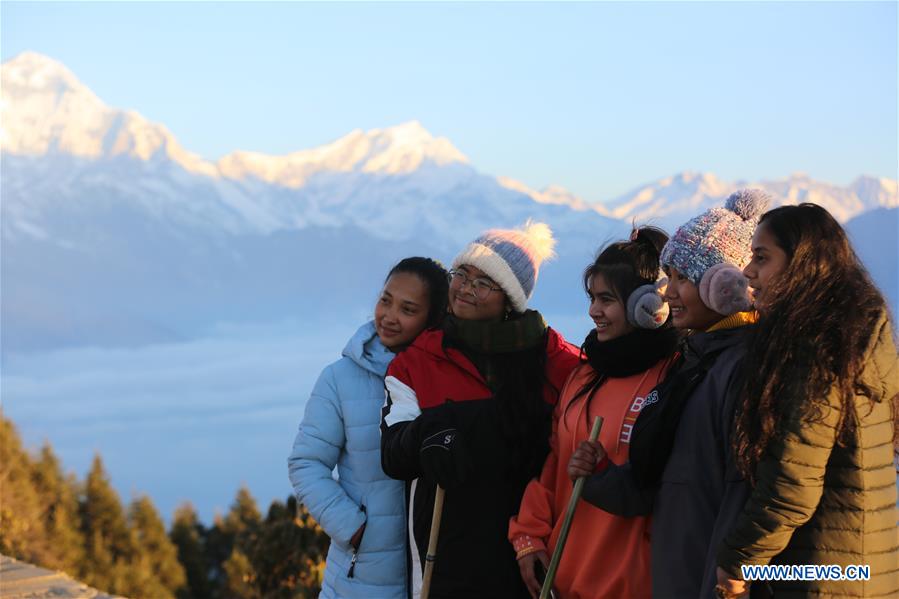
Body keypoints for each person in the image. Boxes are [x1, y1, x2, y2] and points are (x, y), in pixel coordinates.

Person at [569, 189, 770, 598]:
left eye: (684, 279)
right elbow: (658, 482)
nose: (668, 293)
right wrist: (600, 475)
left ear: (726, 285)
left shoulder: (745, 371)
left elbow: (740, 501)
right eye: (669, 278)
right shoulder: (694, 364)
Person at [380, 222, 581, 599]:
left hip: (533, 555)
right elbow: (393, 453)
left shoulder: (557, 362)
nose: (465, 289)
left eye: (483, 283)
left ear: (510, 298)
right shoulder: (419, 361)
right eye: (462, 275)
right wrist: (429, 434)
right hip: (445, 555)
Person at [715, 203, 899, 598]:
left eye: (761, 258)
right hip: (860, 569)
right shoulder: (856, 341)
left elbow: (793, 481)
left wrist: (736, 561)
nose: (748, 271)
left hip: (822, 577)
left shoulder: (815, 350)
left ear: (802, 264)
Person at [508, 227, 679, 599]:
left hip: (635, 585)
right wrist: (528, 533)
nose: (593, 311)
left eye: (606, 300)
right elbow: (556, 460)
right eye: (591, 298)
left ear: (649, 306)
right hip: (566, 579)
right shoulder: (584, 374)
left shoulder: (673, 377)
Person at [288, 257, 448, 599]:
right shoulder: (340, 378)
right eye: (385, 300)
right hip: (359, 582)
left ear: (433, 319)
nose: (389, 316)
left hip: (435, 575)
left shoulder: (448, 378)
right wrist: (355, 526)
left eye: (407, 309)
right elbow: (306, 463)